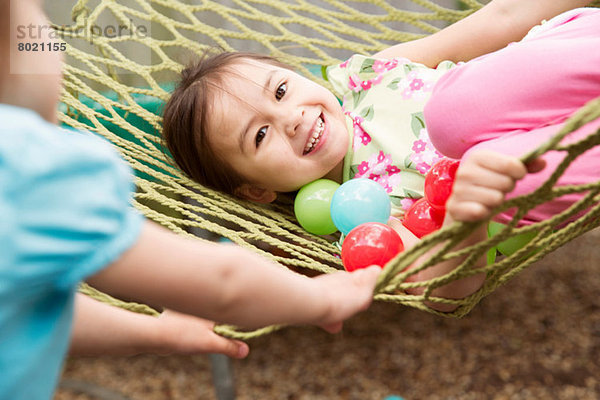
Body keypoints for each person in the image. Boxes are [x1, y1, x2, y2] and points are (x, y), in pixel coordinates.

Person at [0, 1, 382, 399]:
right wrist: (320, 299)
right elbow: (223, 282)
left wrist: (155, 333)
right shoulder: (29, 171)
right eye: (40, 27)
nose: (55, 45)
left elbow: (29, 307)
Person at [161, 1, 598, 308]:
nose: (289, 119)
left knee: (452, 112)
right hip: (564, 155)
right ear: (256, 190)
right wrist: (466, 217)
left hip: (565, 66)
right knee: (508, 186)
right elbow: (446, 288)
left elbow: (501, 18)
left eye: (280, 90)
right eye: (258, 136)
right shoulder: (361, 218)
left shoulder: (368, 78)